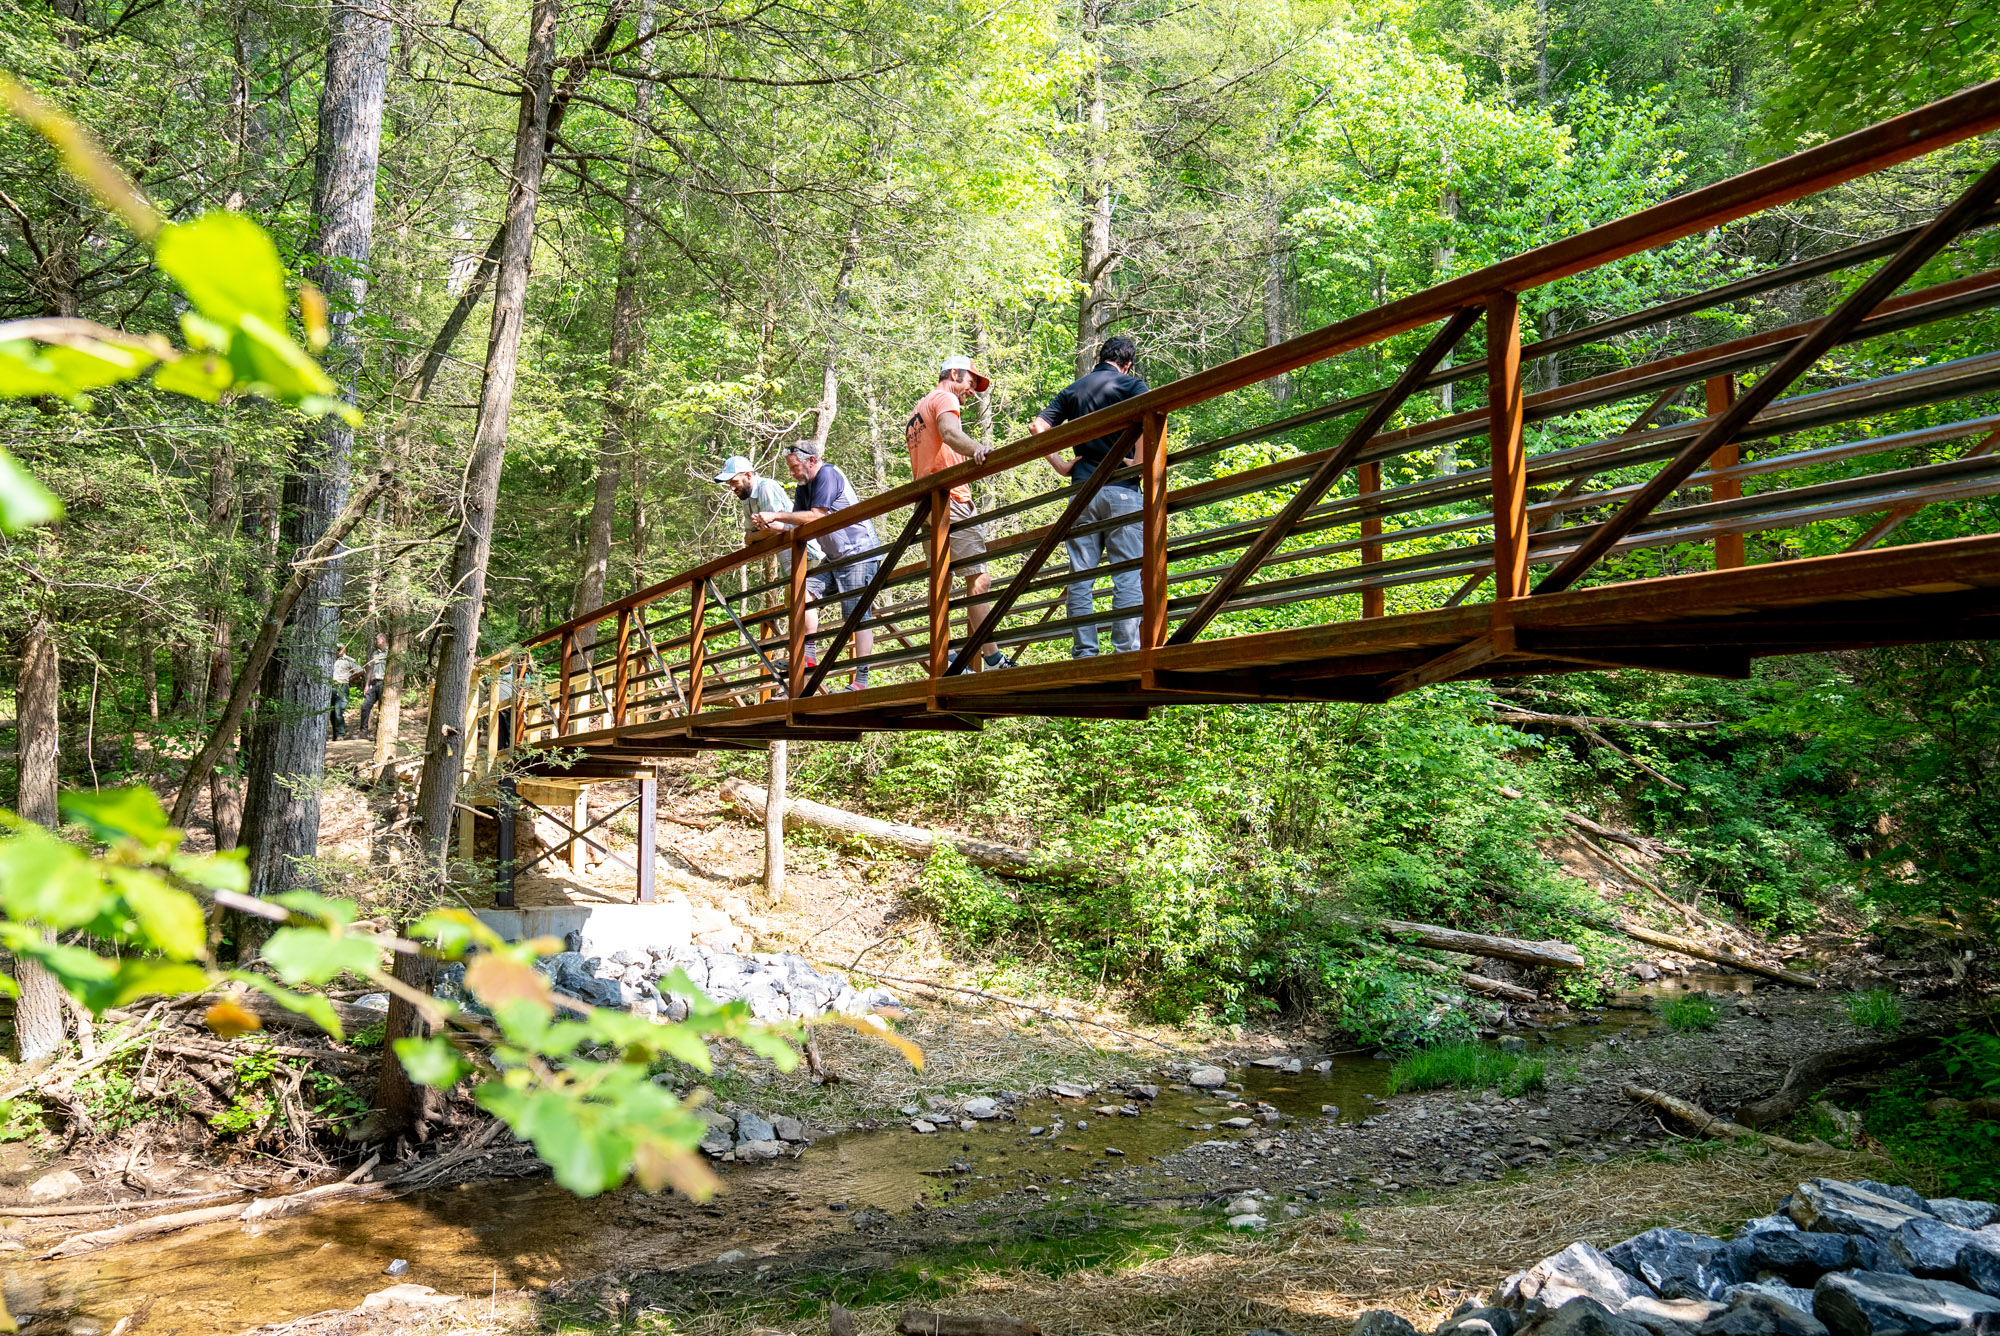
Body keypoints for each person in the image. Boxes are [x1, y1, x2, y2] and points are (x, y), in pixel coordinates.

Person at [1029, 334, 1149, 657]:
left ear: (1102, 357)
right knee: (1126, 573)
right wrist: (1136, 464)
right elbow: (1152, 416)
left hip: (1082, 492)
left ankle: (1085, 652)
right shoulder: (1131, 385)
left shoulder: (1074, 390)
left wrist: (1060, 465)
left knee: (1081, 576)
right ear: (1126, 364)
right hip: (1122, 490)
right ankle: (1125, 652)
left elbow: (1037, 427)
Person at [905, 355, 1006, 672]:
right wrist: (977, 448)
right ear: (952, 374)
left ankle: (945, 657)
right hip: (951, 498)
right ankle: (991, 659)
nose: (971, 391)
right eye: (969, 382)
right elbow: (950, 433)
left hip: (928, 504)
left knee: (942, 581)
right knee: (979, 577)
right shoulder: (944, 397)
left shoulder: (916, 411)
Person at [752, 441, 880, 690]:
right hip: (833, 559)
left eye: (795, 467)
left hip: (859, 555)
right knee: (804, 593)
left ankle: (862, 681)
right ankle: (808, 657)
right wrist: (769, 524)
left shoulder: (828, 474)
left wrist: (776, 515)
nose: (792, 473)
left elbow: (817, 516)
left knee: (857, 618)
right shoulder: (803, 487)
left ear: (811, 461)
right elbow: (796, 524)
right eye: (790, 468)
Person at [714, 453, 824, 670]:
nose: (732, 488)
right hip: (789, 557)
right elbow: (751, 535)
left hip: (806, 552)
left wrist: (756, 535)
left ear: (747, 475)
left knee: (801, 601)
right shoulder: (747, 498)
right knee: (793, 604)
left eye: (734, 482)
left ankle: (807, 658)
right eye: (729, 484)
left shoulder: (766, 487)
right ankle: (799, 658)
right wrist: (756, 534)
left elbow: (773, 529)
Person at [357, 633, 388, 735]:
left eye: (377, 639)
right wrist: (366, 685)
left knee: (382, 707)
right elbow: (370, 670)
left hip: (384, 683)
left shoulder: (390, 652)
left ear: (383, 640)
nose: (376, 641)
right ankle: (363, 731)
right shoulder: (375, 654)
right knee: (365, 706)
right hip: (373, 684)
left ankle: (379, 733)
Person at [330, 645, 360, 740]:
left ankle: (340, 734)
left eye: (340, 649)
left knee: (339, 710)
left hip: (343, 685)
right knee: (331, 711)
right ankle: (335, 735)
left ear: (344, 649)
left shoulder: (349, 660)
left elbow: (360, 671)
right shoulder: (331, 660)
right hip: (331, 686)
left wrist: (350, 679)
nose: (338, 651)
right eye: (337, 649)